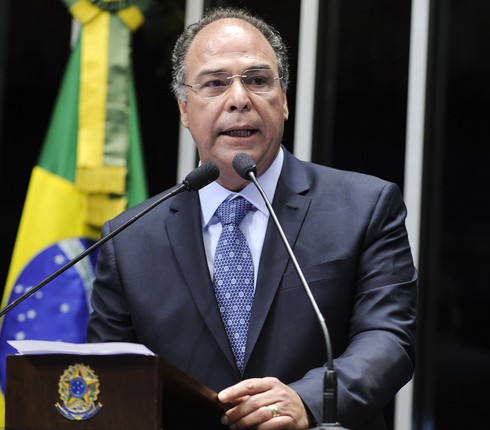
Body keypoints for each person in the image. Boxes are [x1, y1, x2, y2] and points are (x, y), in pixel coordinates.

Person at [88, 6, 417, 430]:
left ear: (283, 101)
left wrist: (305, 400)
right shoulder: (129, 239)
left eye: (258, 81)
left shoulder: (364, 206)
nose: (239, 99)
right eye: (215, 83)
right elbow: (111, 379)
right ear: (185, 109)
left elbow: (389, 340)